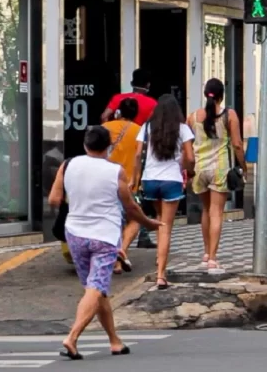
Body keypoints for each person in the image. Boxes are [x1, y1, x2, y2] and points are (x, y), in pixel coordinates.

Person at [49, 126, 162, 360]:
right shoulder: (115, 172)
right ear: (108, 147)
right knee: (96, 288)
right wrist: (148, 223)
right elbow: (130, 206)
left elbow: (53, 199)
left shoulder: (68, 165)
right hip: (104, 237)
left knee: (95, 290)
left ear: (85, 145)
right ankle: (72, 337)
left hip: (75, 235)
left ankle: (115, 341)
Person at [133, 94, 195, 290]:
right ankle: (161, 274)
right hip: (171, 181)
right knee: (166, 226)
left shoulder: (147, 128)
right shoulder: (183, 129)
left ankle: (159, 261)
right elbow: (190, 158)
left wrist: (135, 179)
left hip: (150, 180)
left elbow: (137, 155)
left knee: (159, 221)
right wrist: (186, 169)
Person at [187, 79, 246, 272]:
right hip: (219, 169)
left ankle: (205, 253)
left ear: (206, 94)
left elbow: (186, 143)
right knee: (216, 213)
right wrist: (244, 167)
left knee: (205, 210)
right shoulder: (228, 115)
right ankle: (213, 258)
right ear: (221, 95)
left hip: (199, 169)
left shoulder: (193, 117)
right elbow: (237, 144)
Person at [101, 68, 158, 250]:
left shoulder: (118, 99)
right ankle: (141, 234)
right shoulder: (151, 103)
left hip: (112, 158)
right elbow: (154, 127)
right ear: (148, 85)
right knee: (136, 195)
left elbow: (104, 116)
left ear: (132, 81)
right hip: (137, 150)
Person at [101, 98, 142, 274]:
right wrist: (137, 180)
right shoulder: (138, 130)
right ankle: (121, 251)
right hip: (127, 183)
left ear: (119, 111)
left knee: (111, 222)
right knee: (134, 220)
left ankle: (113, 259)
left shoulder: (104, 128)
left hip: (103, 182)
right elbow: (139, 157)